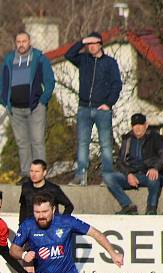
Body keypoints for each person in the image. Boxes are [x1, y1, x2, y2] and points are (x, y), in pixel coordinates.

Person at [18, 159, 74, 273]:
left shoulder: (53, 189)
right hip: (31, 235)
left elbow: (69, 205)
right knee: (30, 272)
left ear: (44, 172)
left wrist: (60, 224)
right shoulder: (26, 187)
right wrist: (22, 229)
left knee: (53, 271)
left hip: (50, 237)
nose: (33, 174)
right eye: (31, 171)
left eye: (37, 171)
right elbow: (23, 209)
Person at [64, 31, 122, 186]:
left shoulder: (110, 63)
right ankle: (81, 176)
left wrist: (109, 103)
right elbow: (68, 55)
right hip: (83, 108)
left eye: (94, 43)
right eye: (88, 44)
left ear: (100, 44)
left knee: (105, 144)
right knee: (83, 143)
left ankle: (107, 176)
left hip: (102, 109)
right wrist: (81, 41)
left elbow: (117, 84)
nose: (90, 47)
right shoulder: (83, 60)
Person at [0, 31, 56, 179]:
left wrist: (42, 101)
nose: (21, 44)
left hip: (35, 107)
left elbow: (49, 81)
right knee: (22, 143)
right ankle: (25, 175)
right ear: (15, 43)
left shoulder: (39, 58)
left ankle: (40, 175)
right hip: (15, 109)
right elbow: (1, 82)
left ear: (29, 42)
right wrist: (5, 100)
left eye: (24, 41)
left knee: (37, 141)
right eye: (18, 42)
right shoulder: (9, 60)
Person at [102, 113, 163, 215]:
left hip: (148, 173)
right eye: (135, 125)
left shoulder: (155, 137)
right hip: (132, 174)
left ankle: (151, 209)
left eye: (140, 125)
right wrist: (128, 174)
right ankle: (128, 206)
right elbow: (120, 161)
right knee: (108, 177)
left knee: (154, 179)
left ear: (146, 125)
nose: (137, 128)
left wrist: (155, 168)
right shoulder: (127, 139)